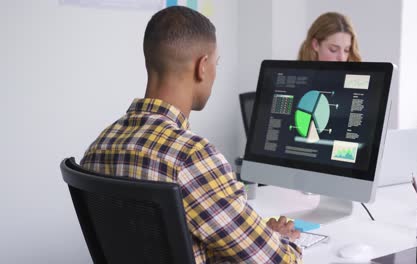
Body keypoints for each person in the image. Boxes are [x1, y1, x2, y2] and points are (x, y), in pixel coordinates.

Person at [80, 6, 302, 264]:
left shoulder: (99, 146)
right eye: (216, 64)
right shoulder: (192, 158)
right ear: (203, 66)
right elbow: (278, 261)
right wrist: (281, 239)